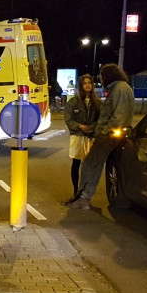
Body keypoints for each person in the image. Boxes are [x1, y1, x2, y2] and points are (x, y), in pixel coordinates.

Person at [68, 64, 136, 210]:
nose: (100, 79)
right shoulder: (122, 88)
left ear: (108, 75)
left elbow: (118, 116)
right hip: (115, 133)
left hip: (110, 135)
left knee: (90, 164)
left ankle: (84, 199)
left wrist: (104, 131)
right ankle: (83, 197)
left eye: (101, 76)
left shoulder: (119, 89)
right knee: (99, 165)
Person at [60, 74, 101, 206]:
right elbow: (68, 119)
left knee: (89, 165)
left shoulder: (98, 103)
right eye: (85, 83)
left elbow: (101, 119)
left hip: (91, 136)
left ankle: (85, 193)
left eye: (90, 82)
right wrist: (80, 126)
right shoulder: (73, 102)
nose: (87, 85)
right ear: (80, 86)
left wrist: (92, 127)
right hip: (77, 136)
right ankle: (75, 193)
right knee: (76, 164)